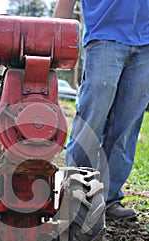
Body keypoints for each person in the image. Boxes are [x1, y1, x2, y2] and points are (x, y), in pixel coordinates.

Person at [54, 0, 149, 220]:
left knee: (126, 127)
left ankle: (108, 198)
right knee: (91, 119)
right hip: (105, 37)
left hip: (146, 45)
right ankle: (76, 192)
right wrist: (57, 37)